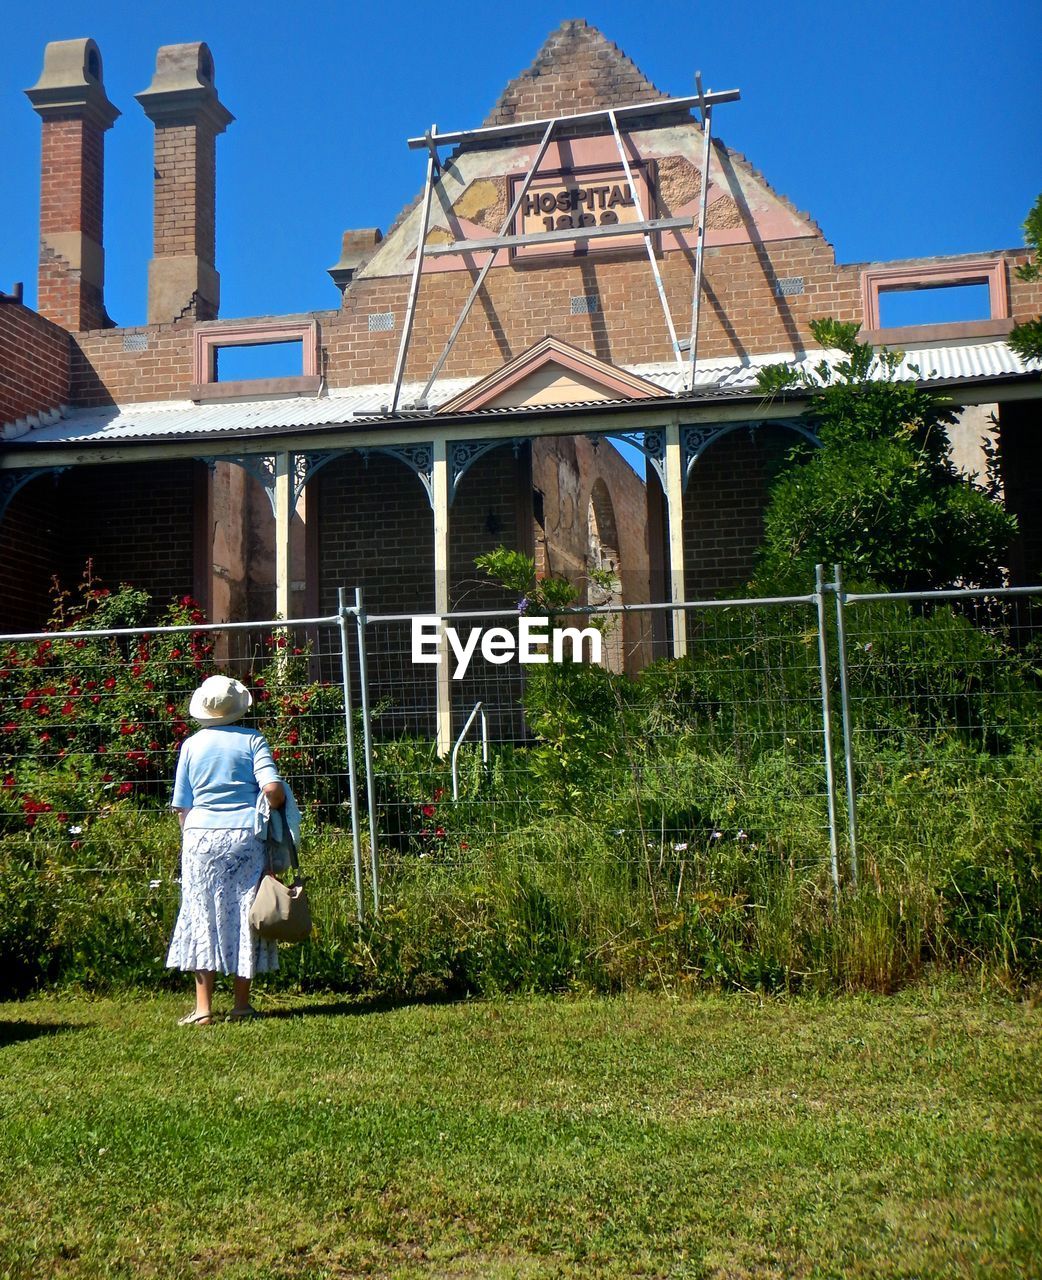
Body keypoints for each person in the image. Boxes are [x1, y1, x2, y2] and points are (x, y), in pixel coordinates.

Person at [166, 674, 285, 1025]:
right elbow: (272, 789)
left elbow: (181, 805)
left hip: (200, 836)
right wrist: (277, 805)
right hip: (243, 837)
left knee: (201, 914)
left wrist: (192, 837)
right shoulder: (253, 740)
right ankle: (241, 1004)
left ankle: (203, 1009)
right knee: (244, 913)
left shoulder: (190, 745)